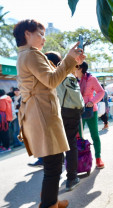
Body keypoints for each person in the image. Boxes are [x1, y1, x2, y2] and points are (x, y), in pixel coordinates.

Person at [14, 19, 85, 208]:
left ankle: (51, 200)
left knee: (53, 161)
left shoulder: (25, 55)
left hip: (38, 112)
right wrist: (69, 59)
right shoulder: (31, 55)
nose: (44, 39)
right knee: (54, 163)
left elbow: (53, 75)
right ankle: (49, 204)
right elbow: (53, 80)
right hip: (42, 113)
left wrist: (72, 62)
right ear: (27, 34)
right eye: (40, 34)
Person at [45, 51, 84, 192]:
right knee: (71, 143)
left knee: (57, 145)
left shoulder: (50, 76)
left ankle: (56, 177)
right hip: (73, 111)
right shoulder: (68, 74)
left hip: (59, 112)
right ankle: (72, 178)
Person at [75, 61, 105, 169]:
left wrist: (92, 101)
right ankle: (81, 159)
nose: (73, 69)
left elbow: (101, 92)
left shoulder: (91, 79)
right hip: (77, 111)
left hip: (90, 110)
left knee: (95, 135)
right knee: (78, 136)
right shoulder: (72, 79)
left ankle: (98, 158)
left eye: (75, 67)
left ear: (81, 68)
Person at [0, 89, 14, 153]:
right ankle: (6, 146)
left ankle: (6, 147)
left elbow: (2, 108)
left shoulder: (2, 99)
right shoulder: (7, 98)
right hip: (7, 118)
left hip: (3, 120)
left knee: (4, 134)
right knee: (5, 133)